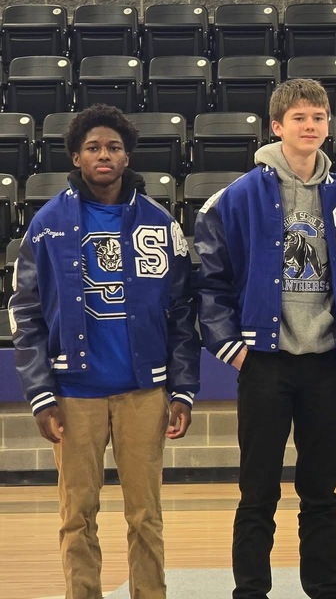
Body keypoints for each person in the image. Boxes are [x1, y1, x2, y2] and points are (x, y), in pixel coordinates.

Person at [193, 79, 336, 599]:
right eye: (299, 118)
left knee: (321, 492)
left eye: (319, 117)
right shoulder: (237, 197)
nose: (311, 126)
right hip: (265, 365)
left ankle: (325, 588)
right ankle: (250, 590)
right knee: (258, 491)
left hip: (326, 365)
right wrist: (232, 345)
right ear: (277, 126)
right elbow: (208, 279)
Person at [11, 104, 199, 599]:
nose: (103, 155)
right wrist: (40, 394)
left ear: (127, 155)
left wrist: (182, 390)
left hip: (144, 392)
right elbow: (25, 313)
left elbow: (183, 311)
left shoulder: (159, 223)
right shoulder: (47, 225)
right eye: (93, 147)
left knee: (146, 516)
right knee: (78, 517)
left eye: (113, 147)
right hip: (74, 395)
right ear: (75, 156)